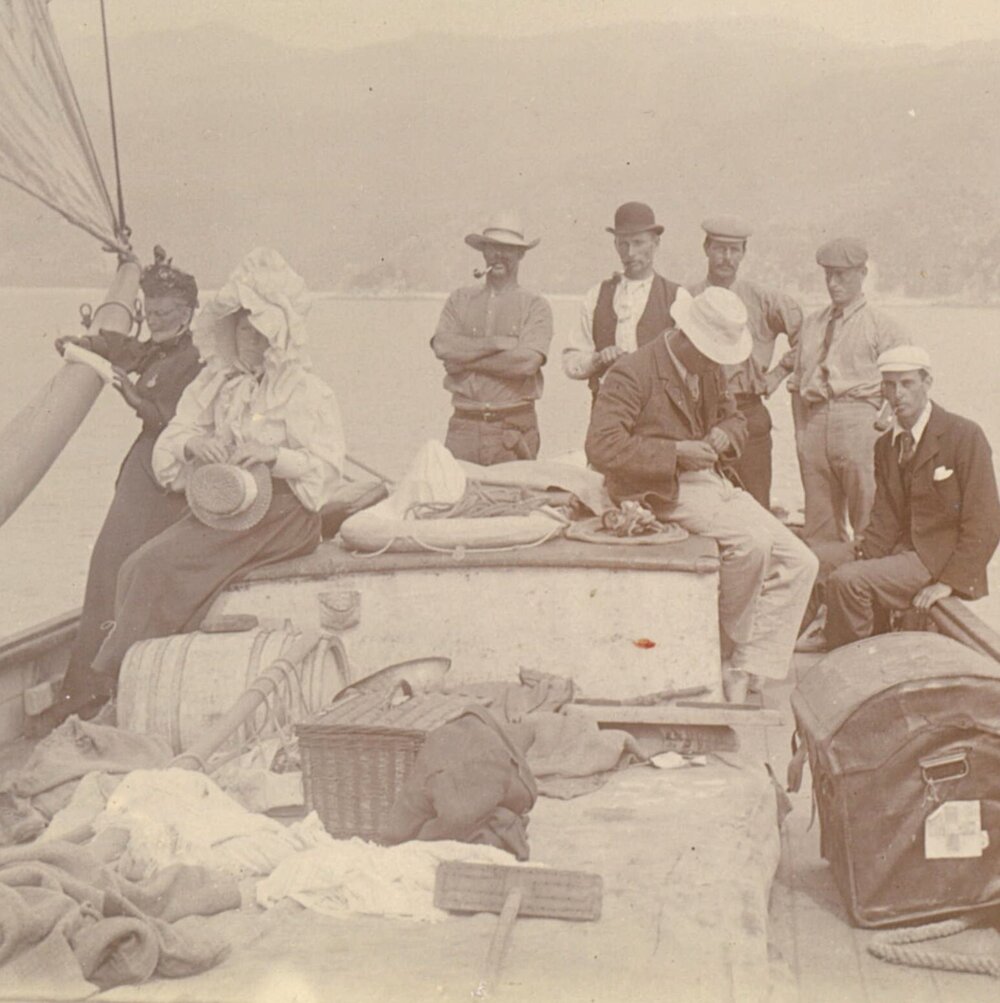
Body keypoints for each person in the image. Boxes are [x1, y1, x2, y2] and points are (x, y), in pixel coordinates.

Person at [87, 248, 345, 690]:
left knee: (157, 569)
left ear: (279, 337)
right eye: (243, 331)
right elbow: (173, 438)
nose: (251, 342)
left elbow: (326, 467)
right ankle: (135, 675)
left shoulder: (308, 392)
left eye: (261, 333)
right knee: (132, 565)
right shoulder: (219, 383)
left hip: (284, 514)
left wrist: (273, 457)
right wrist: (193, 443)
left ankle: (119, 681)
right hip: (226, 506)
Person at [586, 286, 818, 702]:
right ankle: (724, 652)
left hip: (710, 483)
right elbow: (601, 447)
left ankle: (749, 662)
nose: (718, 364)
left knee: (802, 561)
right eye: (712, 353)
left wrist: (725, 435)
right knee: (751, 544)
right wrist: (675, 453)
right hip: (658, 489)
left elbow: (735, 418)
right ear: (686, 336)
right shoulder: (632, 372)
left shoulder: (707, 367)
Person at [52, 247, 203, 721]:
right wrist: (84, 345)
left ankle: (98, 690)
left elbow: (177, 421)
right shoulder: (159, 348)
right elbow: (125, 349)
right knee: (108, 570)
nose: (155, 320)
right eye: (150, 312)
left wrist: (134, 396)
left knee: (123, 571)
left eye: (165, 313)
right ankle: (91, 689)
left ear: (187, 314)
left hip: (163, 481)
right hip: (141, 476)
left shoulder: (194, 362)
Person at [816, 346, 1000, 649]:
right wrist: (864, 554)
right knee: (816, 561)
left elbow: (986, 520)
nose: (896, 393)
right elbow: (884, 516)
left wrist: (949, 582)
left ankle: (856, 655)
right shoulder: (886, 446)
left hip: (936, 557)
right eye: (889, 384)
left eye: (907, 383)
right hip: (898, 549)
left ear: (927, 383)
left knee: (848, 581)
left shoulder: (964, 435)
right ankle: (830, 636)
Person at [792, 237, 908, 544]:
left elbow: (905, 385)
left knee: (869, 517)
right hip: (814, 422)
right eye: (828, 274)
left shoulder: (883, 326)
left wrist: (879, 429)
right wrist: (801, 435)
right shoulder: (812, 324)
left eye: (841, 275)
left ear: (862, 274)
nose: (833, 283)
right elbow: (797, 383)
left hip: (861, 423)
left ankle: (866, 583)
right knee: (819, 524)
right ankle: (828, 585)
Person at [687, 216, 802, 509]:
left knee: (755, 506)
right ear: (706, 248)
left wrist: (777, 374)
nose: (727, 258)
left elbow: (809, 338)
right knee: (702, 506)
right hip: (699, 417)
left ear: (743, 253)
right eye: (720, 249)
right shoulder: (687, 299)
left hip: (748, 412)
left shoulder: (763, 299)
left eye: (734, 250)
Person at [431, 212, 553, 465]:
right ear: (483, 251)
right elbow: (442, 345)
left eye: (508, 248)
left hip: (514, 430)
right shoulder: (459, 299)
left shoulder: (536, 305)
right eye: (492, 247)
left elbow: (526, 363)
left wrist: (465, 361)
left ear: (521, 254)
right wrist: (495, 343)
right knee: (454, 499)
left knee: (516, 502)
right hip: (463, 428)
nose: (499, 254)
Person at [562, 201, 681, 404]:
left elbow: (690, 364)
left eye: (638, 243)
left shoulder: (677, 297)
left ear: (656, 243)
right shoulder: (597, 295)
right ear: (615, 245)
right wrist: (597, 359)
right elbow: (571, 362)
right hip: (608, 409)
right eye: (623, 244)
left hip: (660, 415)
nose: (630, 253)